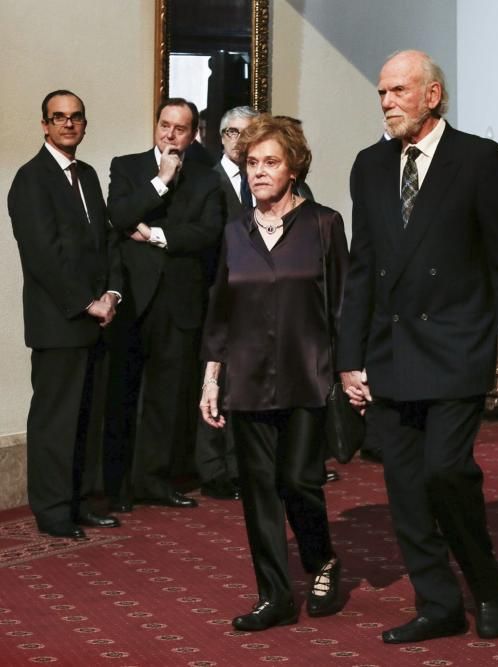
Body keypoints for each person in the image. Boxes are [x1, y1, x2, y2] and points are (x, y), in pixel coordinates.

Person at [338, 50, 498, 644]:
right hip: (391, 351)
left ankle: (487, 585)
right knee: (404, 485)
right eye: (381, 93)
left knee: (448, 471)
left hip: (456, 347)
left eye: (398, 90)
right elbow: (361, 266)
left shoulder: (479, 159)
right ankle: (437, 602)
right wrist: (350, 356)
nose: (387, 102)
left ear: (432, 95)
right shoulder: (370, 166)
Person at [200, 114, 348, 631]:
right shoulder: (234, 231)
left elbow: (341, 306)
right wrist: (211, 377)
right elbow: (220, 308)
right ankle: (275, 595)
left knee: (298, 481)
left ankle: (322, 559)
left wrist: (349, 371)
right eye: (251, 163)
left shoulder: (324, 225)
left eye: (270, 163)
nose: (258, 172)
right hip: (245, 376)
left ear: (294, 167)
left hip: (306, 375)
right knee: (258, 487)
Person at [7, 90, 123, 539]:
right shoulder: (30, 179)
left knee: (89, 420)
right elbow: (42, 256)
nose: (68, 125)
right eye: (59, 118)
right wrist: (86, 302)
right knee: (56, 422)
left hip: (98, 320)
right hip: (60, 324)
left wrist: (112, 293)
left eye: (75, 117)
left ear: (85, 124)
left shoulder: (89, 175)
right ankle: (53, 511)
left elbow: (108, 242)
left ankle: (82, 502)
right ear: (44, 125)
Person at [104, 98, 224, 511]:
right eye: (164, 125)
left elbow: (207, 233)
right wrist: (160, 181)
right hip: (133, 299)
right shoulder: (126, 166)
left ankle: (154, 482)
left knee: (166, 398)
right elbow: (118, 215)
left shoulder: (208, 180)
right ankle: (116, 489)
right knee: (122, 393)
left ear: (193, 135)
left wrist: (155, 235)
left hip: (179, 302)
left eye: (180, 128)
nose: (170, 134)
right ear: (156, 126)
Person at [193, 105, 261, 502]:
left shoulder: (266, 177)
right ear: (221, 137)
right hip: (213, 295)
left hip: (254, 300)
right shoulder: (206, 180)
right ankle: (213, 470)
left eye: (249, 133)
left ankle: (242, 465)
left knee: (245, 383)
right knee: (212, 382)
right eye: (233, 133)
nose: (240, 140)